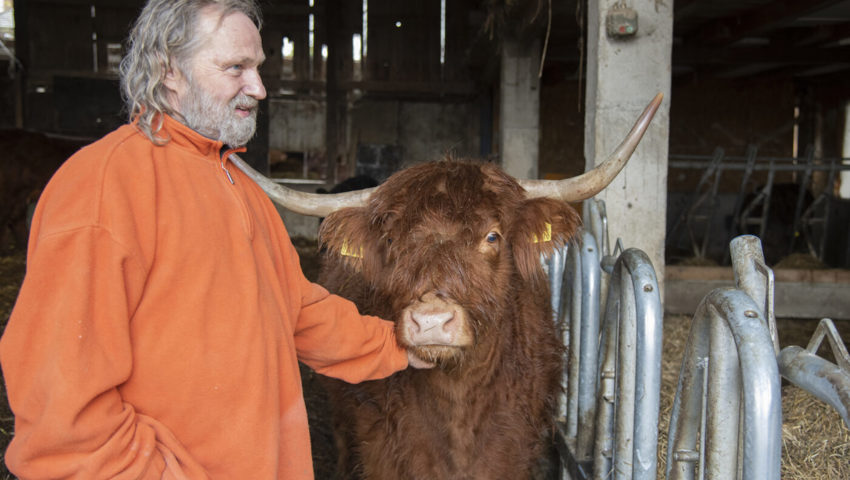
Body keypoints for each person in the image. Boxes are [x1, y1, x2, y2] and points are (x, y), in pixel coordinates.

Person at [0, 1, 431, 478]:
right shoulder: (103, 186)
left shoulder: (238, 185)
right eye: (236, 68)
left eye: (259, 69)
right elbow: (64, 422)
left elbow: (298, 310)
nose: (259, 88)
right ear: (169, 71)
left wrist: (401, 341)